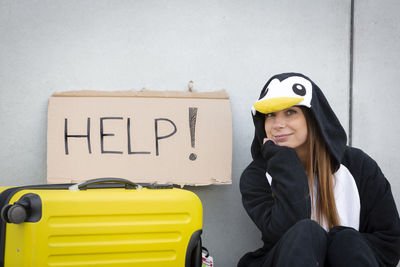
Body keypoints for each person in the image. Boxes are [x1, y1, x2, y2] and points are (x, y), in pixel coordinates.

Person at [238, 72, 400, 267]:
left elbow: (390, 243)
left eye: (290, 112)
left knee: (346, 241)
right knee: (307, 233)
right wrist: (285, 164)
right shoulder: (256, 176)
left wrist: (335, 245)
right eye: (270, 115)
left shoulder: (359, 166)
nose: (278, 125)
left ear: (313, 116)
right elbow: (285, 234)